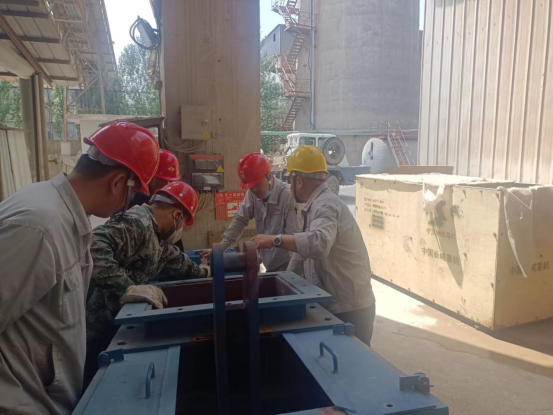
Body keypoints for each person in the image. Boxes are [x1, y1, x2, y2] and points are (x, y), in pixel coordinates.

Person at [0, 121, 160, 414]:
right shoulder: (39, 227)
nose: (127, 205)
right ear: (117, 183)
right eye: (132, 194)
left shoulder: (66, 218)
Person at [252, 146, 376, 346]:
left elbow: (319, 243)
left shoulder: (325, 205)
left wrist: (276, 239)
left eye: (290, 179)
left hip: (350, 308)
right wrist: (284, 282)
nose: (288, 184)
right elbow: (302, 252)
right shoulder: (314, 206)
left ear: (299, 181)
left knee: (351, 360)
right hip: (339, 303)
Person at [85, 181, 208, 374]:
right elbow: (93, 245)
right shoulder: (138, 222)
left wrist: (205, 271)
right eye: (183, 223)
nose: (181, 229)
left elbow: (179, 262)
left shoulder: (158, 237)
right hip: (93, 324)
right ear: (176, 215)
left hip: (113, 320)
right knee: (89, 373)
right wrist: (126, 287)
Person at [201, 152, 303, 274]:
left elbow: (296, 242)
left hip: (289, 267)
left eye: (257, 184)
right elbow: (240, 220)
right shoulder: (252, 194)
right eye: (250, 186)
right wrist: (220, 248)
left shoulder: (288, 197)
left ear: (268, 176)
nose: (254, 189)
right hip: (270, 266)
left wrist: (290, 276)